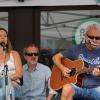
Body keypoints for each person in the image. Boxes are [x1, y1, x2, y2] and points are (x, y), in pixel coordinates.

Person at [52, 24, 100, 100]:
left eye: (97, 38)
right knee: (66, 88)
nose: (94, 40)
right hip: (77, 87)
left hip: (96, 88)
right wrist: (63, 68)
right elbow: (55, 57)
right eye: (91, 37)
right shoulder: (76, 49)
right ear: (85, 36)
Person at [0, 27, 22, 99]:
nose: (3, 38)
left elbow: (19, 74)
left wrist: (7, 80)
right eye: (0, 36)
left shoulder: (14, 54)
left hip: (14, 86)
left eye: (5, 36)